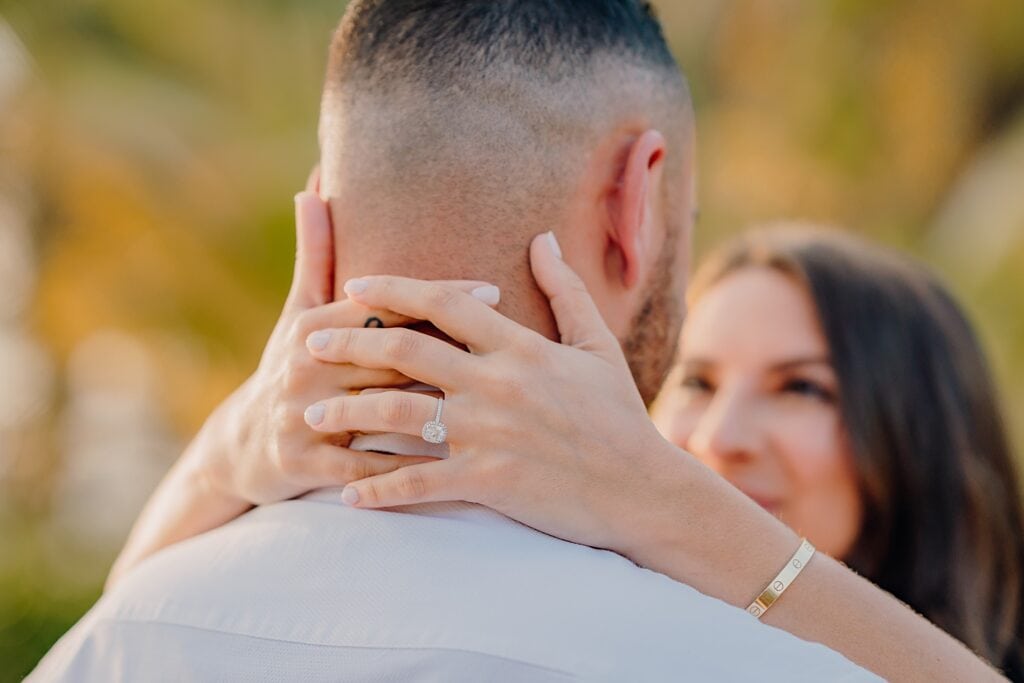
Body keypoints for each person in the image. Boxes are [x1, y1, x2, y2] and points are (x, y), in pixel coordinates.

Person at [28, 1, 877, 681]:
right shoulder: (750, 660)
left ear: (322, 207)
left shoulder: (121, 640)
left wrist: (217, 461)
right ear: (638, 202)